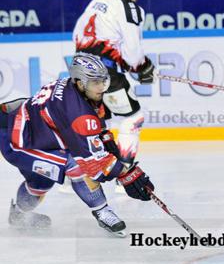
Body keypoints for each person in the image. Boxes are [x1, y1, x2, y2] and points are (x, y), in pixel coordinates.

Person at [0, 53, 155, 236]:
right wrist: (126, 174)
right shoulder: (78, 112)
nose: (101, 87)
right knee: (76, 166)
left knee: (40, 184)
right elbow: (92, 164)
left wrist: (108, 144)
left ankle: (18, 214)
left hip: (28, 132)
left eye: (103, 81)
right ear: (80, 83)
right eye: (95, 82)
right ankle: (102, 211)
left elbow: (95, 130)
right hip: (18, 142)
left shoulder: (74, 87)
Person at [72, 0, 154, 176]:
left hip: (80, 68)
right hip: (103, 73)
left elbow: (77, 33)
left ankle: (76, 174)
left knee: (96, 121)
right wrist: (142, 66)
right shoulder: (130, 8)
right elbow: (133, 53)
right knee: (133, 118)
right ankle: (125, 173)